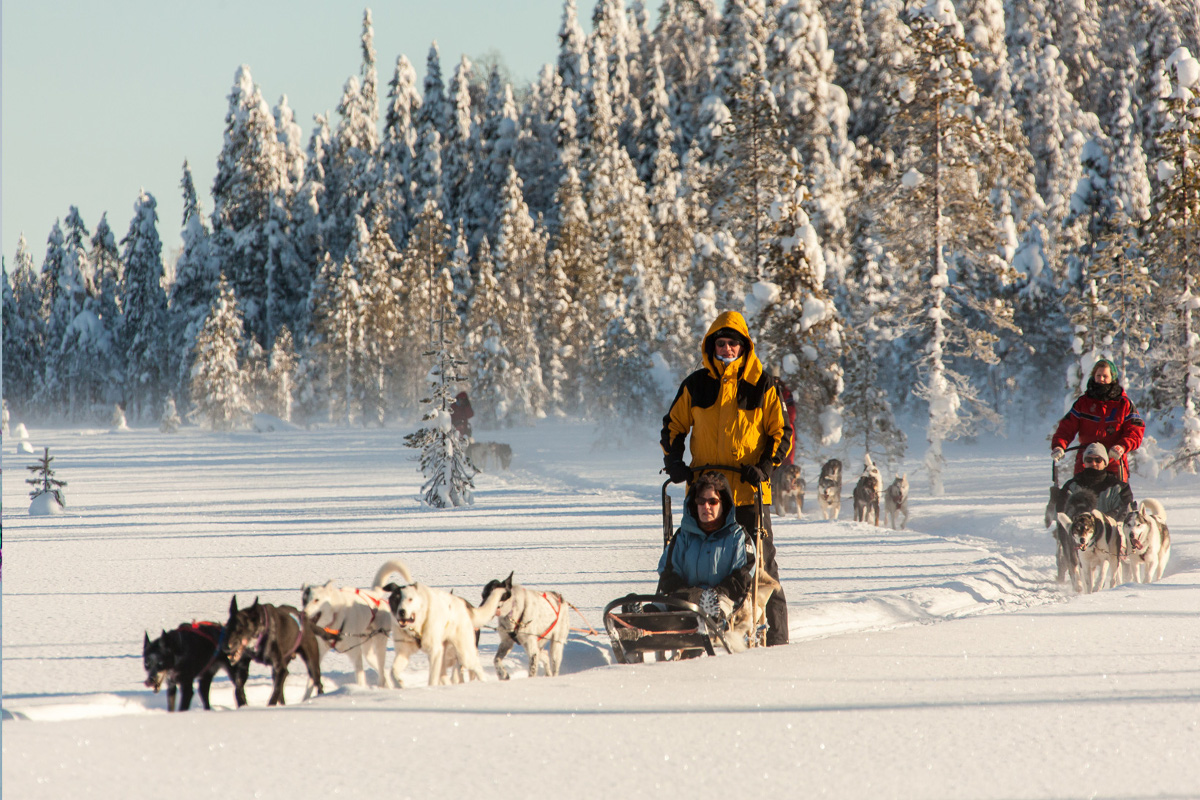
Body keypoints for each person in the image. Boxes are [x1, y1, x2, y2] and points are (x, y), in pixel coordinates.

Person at [660, 311, 792, 645]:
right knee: (687, 561)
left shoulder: (762, 385)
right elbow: (673, 426)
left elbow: (782, 433)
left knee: (761, 569)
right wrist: (674, 461)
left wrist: (764, 467)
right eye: (721, 342)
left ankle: (776, 641)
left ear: (744, 346)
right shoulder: (696, 385)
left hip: (747, 492)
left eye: (733, 342)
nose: (727, 348)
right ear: (712, 345)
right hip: (705, 494)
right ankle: (679, 621)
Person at [656, 471, 755, 611]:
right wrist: (686, 593)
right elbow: (668, 570)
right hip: (681, 598)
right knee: (656, 610)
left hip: (722, 600)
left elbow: (742, 577)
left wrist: (714, 594)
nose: (706, 507)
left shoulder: (738, 537)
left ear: (724, 504)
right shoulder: (683, 535)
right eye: (701, 501)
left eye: (712, 502)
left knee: (714, 610)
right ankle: (635, 621)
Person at [1051, 358, 1144, 480]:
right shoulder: (1083, 403)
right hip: (1087, 460)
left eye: (1105, 376)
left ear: (1113, 377)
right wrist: (1059, 446)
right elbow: (1066, 427)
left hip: (1113, 459)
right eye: (1098, 375)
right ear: (1093, 376)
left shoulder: (1124, 404)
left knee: (1118, 496)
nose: (1101, 379)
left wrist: (1122, 446)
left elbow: (1135, 431)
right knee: (1079, 496)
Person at [1056, 442, 1134, 519]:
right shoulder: (1072, 486)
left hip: (1110, 529)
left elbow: (1125, 512)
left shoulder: (1119, 488)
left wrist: (1099, 521)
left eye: (1098, 460)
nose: (1093, 463)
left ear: (1105, 463)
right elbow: (1063, 511)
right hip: (1079, 529)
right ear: (1084, 462)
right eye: (1089, 460)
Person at [770, 366, 798, 466]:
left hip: (785, 425)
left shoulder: (785, 393)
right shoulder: (763, 392)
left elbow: (791, 413)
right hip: (767, 427)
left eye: (776, 380)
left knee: (787, 454)